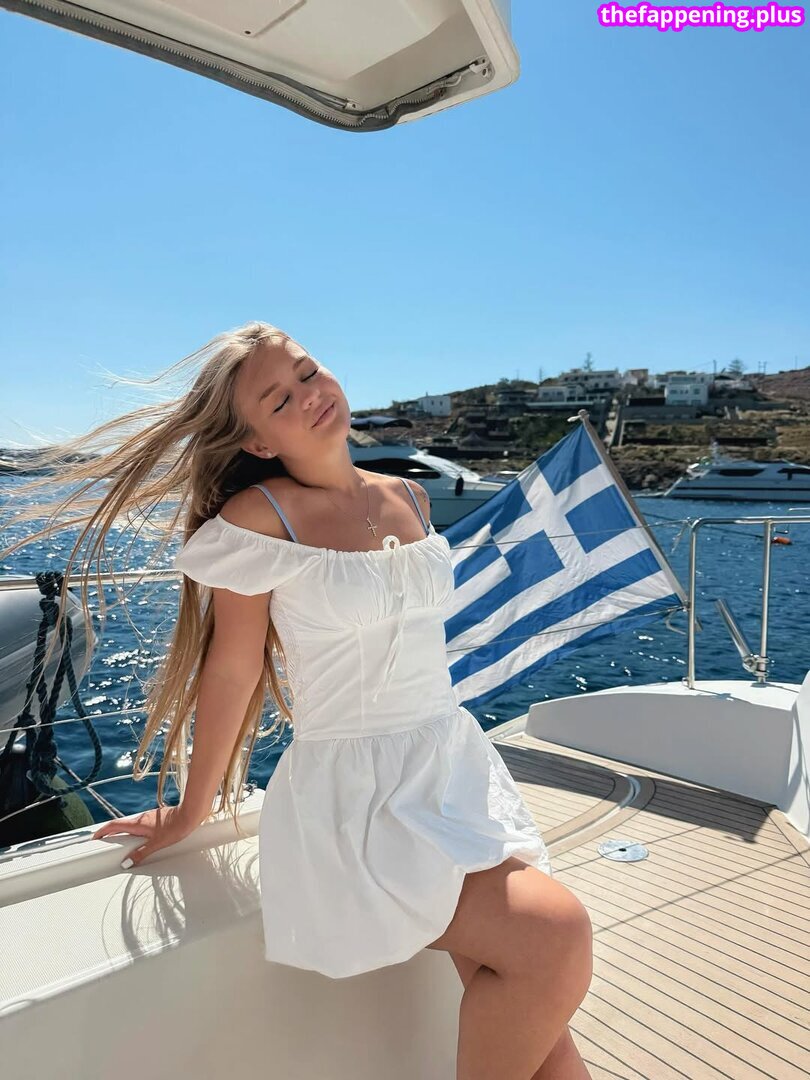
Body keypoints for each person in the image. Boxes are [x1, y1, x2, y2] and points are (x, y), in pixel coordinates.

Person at [3, 321, 593, 1079]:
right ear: (256, 441)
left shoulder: (410, 495)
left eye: (308, 373)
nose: (309, 396)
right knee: (555, 937)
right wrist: (192, 806)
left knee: (537, 1017)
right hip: (360, 800)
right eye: (280, 399)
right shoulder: (259, 520)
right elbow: (232, 669)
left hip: (450, 769)